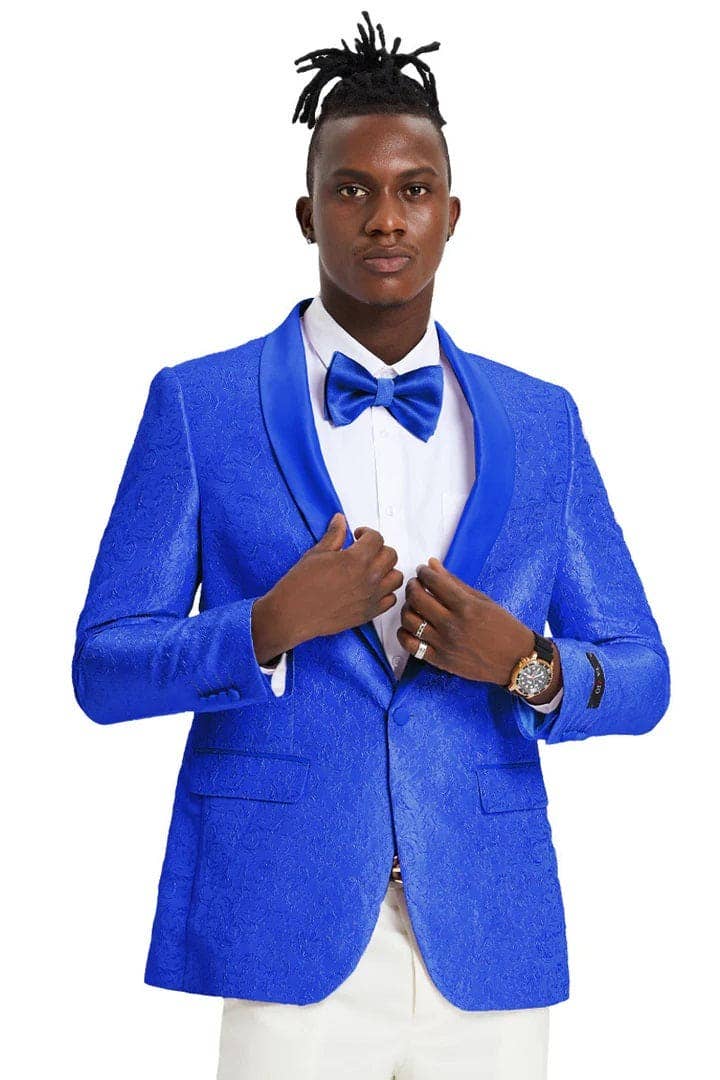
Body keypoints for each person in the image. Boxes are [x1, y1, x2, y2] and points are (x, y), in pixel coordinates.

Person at [71, 11, 671, 1079]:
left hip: (484, 926)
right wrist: (264, 628)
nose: (384, 217)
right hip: (284, 928)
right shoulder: (199, 406)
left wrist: (526, 665)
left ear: (452, 214)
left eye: (413, 189)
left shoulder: (543, 422)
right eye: (351, 189)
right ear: (308, 212)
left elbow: (644, 674)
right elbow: (104, 666)